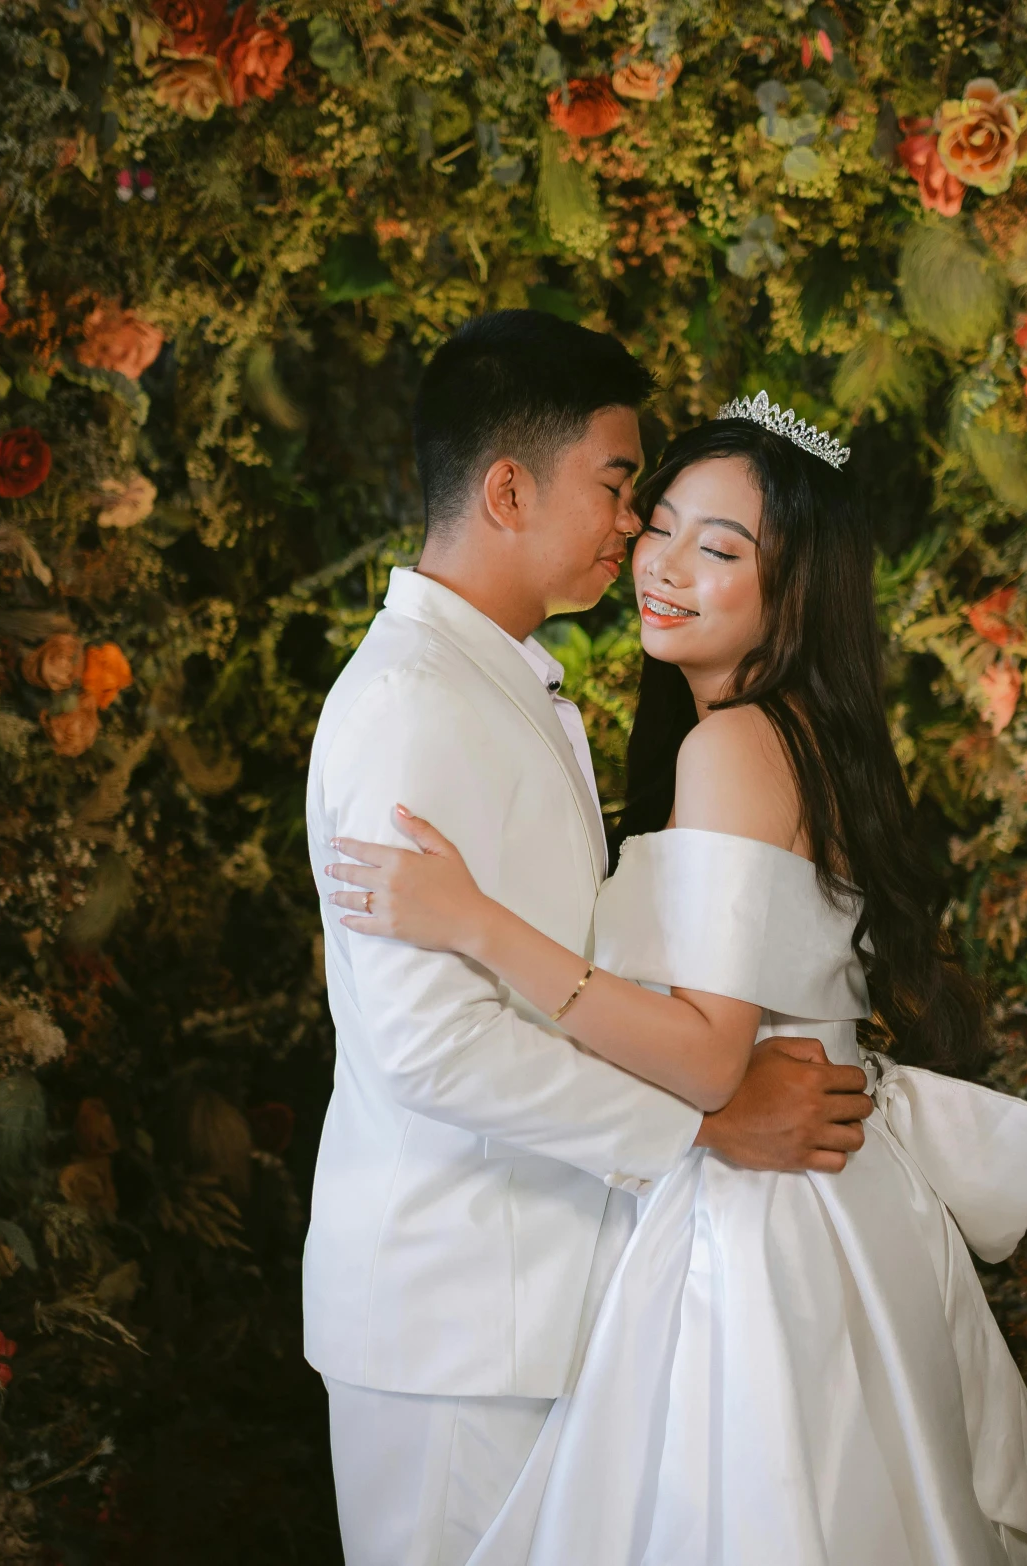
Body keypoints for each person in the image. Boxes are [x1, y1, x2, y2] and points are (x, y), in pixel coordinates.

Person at [324, 394, 1027, 1565]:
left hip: (763, 1221)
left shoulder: (734, 745)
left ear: (794, 593)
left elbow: (708, 1055)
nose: (664, 565)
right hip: (791, 1203)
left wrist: (477, 923)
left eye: (720, 549)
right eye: (659, 523)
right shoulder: (774, 738)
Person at [302, 315, 879, 1566]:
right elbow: (429, 1050)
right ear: (508, 488)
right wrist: (705, 1128)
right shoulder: (417, 706)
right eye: (624, 492)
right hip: (460, 1316)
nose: (635, 535)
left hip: (557, 1293)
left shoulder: (518, 683)